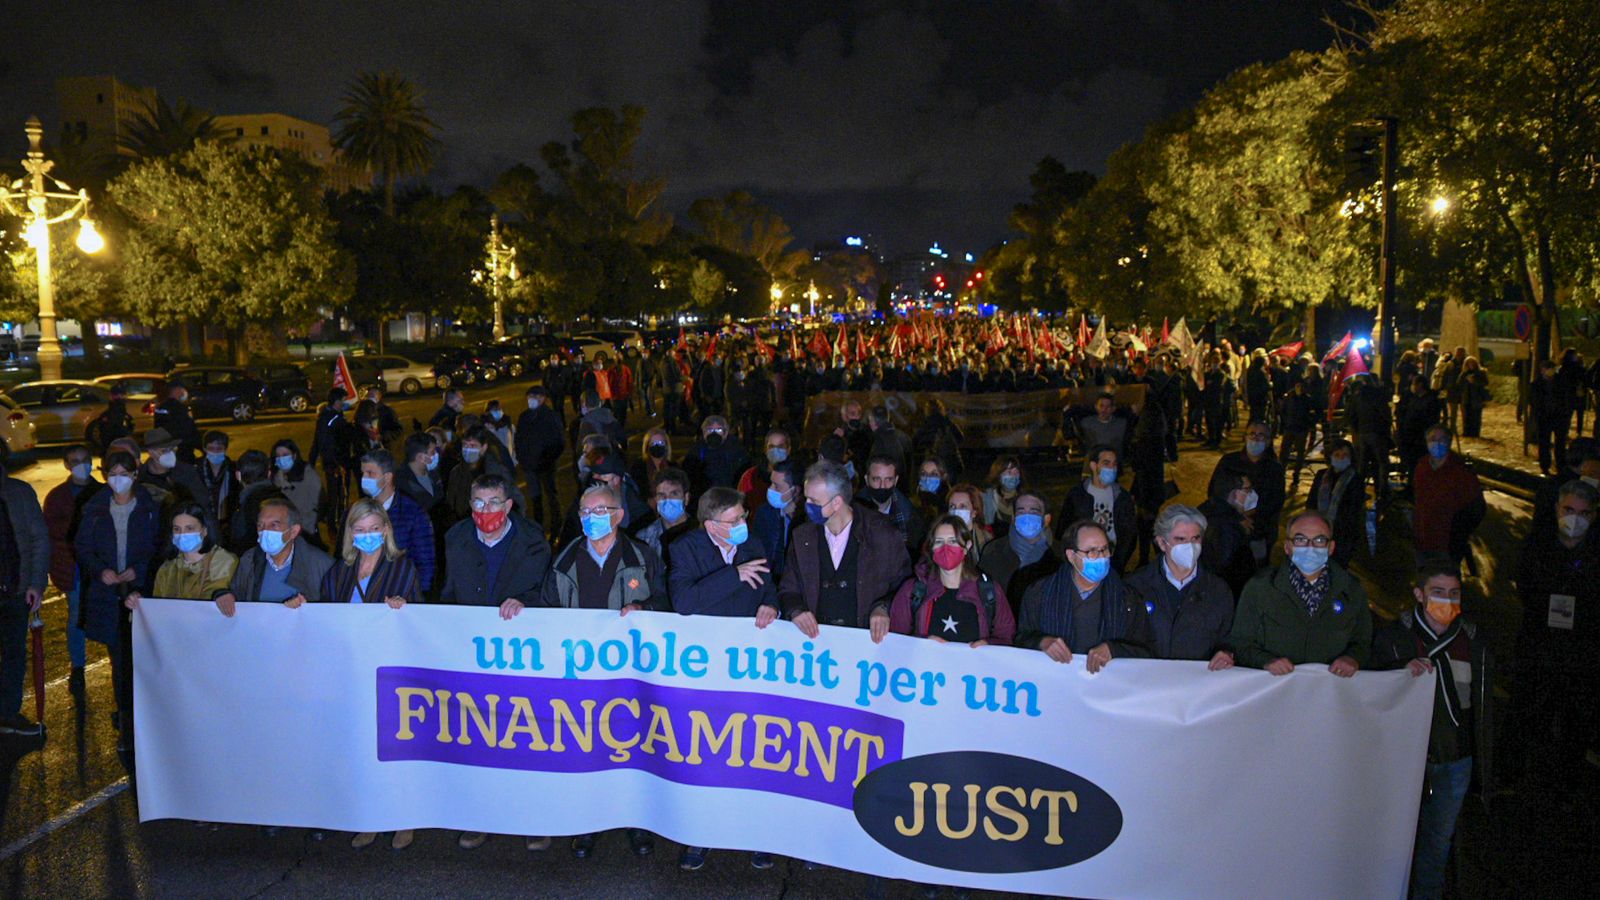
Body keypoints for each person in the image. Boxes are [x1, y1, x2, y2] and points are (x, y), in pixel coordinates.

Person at [540, 480, 663, 860]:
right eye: (585, 512)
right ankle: (589, 824)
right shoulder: (563, 562)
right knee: (588, 750)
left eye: (600, 511)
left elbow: (669, 605)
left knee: (632, 749)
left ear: (619, 516)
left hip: (631, 678)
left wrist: (648, 611)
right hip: (584, 677)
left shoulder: (643, 557)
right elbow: (545, 614)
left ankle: (637, 823)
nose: (591, 519)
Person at [438, 474, 555, 855]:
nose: (484, 511)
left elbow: (545, 593)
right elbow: (446, 591)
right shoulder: (455, 537)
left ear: (508, 506)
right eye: (477, 502)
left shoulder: (533, 540)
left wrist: (525, 602)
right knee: (477, 737)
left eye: (492, 503)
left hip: (518, 657)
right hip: (471, 656)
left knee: (523, 737)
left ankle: (535, 820)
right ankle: (481, 817)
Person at [1370, 562, 1493, 900]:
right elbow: (1374, 691)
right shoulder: (1395, 639)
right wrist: (1399, 669)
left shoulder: (1472, 642)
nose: (1447, 601)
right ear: (1419, 594)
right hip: (1406, 761)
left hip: (1455, 760)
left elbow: (1480, 710)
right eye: (1438, 593)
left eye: (1454, 594)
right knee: (1394, 838)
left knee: (1437, 843)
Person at [327, 502, 422, 845]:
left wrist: (403, 608)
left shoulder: (402, 568)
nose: (367, 536)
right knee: (361, 750)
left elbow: (420, 622)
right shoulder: (339, 571)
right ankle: (370, 816)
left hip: (391, 676)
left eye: (373, 528)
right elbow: (325, 617)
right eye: (359, 529)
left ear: (386, 529)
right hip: (352, 675)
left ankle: (404, 819)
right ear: (350, 533)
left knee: (395, 749)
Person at [1507, 479, 1598, 791]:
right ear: (1557, 509)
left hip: (1581, 654)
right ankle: (1516, 776)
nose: (1575, 519)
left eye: (1584, 513)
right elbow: (1525, 587)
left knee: (1575, 723)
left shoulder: (1595, 553)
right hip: (1538, 646)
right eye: (1569, 510)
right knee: (1528, 713)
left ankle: (1566, 786)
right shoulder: (1537, 545)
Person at [72, 451, 161, 753]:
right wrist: (101, 571)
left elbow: (159, 547)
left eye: (124, 473)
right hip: (109, 597)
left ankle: (148, 718)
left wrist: (139, 571)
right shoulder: (94, 507)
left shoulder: (149, 506)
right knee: (120, 661)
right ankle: (126, 723)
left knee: (146, 659)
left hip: (142, 595)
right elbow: (82, 547)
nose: (117, 479)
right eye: (112, 473)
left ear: (135, 475)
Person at [775, 460, 911, 640]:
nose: (807, 506)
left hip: (866, 643)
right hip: (816, 644)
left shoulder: (882, 535)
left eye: (814, 501)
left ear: (837, 502)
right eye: (806, 498)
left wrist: (883, 607)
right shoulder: (802, 536)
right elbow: (788, 588)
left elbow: (904, 586)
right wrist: (796, 611)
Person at [1228, 510, 1371, 675]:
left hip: (1328, 691)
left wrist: (1352, 658)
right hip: (1276, 690)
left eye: (1319, 540)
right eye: (1300, 540)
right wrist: (1266, 661)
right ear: (1287, 547)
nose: (1310, 548)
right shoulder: (1260, 588)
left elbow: (1363, 642)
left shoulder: (1351, 590)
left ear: (1330, 547)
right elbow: (1239, 643)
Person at [1016, 520, 1149, 671]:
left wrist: (1114, 649)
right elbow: (1021, 639)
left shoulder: (1127, 598)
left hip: (1108, 687)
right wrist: (1042, 642)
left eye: (1104, 550)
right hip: (1056, 683)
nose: (1101, 557)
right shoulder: (1040, 593)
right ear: (1071, 555)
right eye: (1091, 551)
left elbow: (1145, 649)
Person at [1120, 505, 1235, 666]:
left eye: (1195, 538)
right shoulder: (1135, 586)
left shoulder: (1218, 590)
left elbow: (1228, 638)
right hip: (1148, 682)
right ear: (1162, 543)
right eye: (1180, 539)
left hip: (1196, 684)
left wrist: (1225, 653)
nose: (1190, 546)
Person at [889, 515, 1015, 646]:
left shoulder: (989, 591)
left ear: (967, 546)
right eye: (939, 542)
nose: (945, 548)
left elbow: (1006, 637)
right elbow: (896, 640)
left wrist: (988, 645)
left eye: (953, 541)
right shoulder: (913, 590)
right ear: (931, 548)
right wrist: (921, 644)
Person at [43, 444, 100, 693]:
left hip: (99, 566)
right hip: (73, 567)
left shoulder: (102, 491)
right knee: (76, 616)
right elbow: (50, 535)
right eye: (75, 461)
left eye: (85, 459)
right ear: (66, 465)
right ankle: (78, 666)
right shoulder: (57, 497)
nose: (81, 465)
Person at [212, 498, 334, 614]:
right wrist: (225, 595)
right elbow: (237, 594)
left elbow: (333, 612)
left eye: (274, 525)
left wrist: (308, 608)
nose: (265, 531)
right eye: (260, 525)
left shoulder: (321, 565)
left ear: (293, 531)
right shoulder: (250, 560)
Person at [0, 458, 49, 737]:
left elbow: (38, 539)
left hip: (14, 589)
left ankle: (7, 712)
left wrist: (36, 583)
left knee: (14, 654)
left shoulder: (19, 492)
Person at [125, 502, 238, 608]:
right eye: (177, 529)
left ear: (204, 530)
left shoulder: (225, 562)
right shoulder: (167, 568)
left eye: (189, 528)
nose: (182, 534)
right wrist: (139, 599)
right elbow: (158, 606)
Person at [1205, 420, 1285, 567]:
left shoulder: (1274, 469)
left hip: (1259, 531)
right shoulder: (1229, 461)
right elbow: (1214, 493)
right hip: (1228, 527)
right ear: (1245, 437)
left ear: (1268, 441)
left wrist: (1254, 518)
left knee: (1256, 569)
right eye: (1252, 434)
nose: (1255, 438)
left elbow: (1276, 501)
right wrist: (1237, 518)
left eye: (1261, 435)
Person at [357, 450, 437, 596]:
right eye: (363, 473)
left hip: (398, 595)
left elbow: (425, 562)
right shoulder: (356, 512)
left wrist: (414, 597)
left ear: (387, 477)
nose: (364, 478)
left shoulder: (412, 513)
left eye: (370, 473)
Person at [1412, 424, 1485, 569]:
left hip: (1448, 543)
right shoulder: (1422, 466)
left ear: (1449, 442)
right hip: (1424, 538)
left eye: (1442, 439)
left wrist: (1459, 533)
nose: (1437, 443)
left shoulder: (1461, 471)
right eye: (1433, 439)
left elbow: (1477, 508)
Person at [1057, 445, 1137, 574]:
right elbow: (1064, 529)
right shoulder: (1077, 495)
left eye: (1114, 464)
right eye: (1106, 463)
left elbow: (1130, 532)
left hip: (1114, 562)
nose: (1111, 468)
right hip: (1084, 560)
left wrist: (1121, 559)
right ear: (1094, 466)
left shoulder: (1122, 497)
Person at [978, 491, 1059, 612]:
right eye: (1021, 511)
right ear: (1013, 519)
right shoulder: (994, 551)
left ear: (1046, 519)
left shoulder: (1059, 553)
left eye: (1033, 511)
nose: (1026, 517)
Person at [1307, 439, 1367, 569]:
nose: (1341, 458)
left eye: (1345, 455)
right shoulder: (1321, 475)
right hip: (1318, 532)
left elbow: (1353, 510)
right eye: (1337, 454)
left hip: (1342, 536)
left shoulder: (1356, 480)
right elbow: (1311, 503)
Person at [447, 427, 524, 524]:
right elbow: (451, 502)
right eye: (465, 445)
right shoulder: (456, 472)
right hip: (466, 526)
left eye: (473, 445)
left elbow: (516, 500)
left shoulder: (497, 471)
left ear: (483, 448)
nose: (468, 449)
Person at [516, 385, 566, 529]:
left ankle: (557, 524)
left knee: (551, 495)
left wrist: (548, 459)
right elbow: (519, 440)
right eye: (530, 397)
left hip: (546, 465)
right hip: (530, 465)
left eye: (536, 397)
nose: (533, 400)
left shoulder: (550, 416)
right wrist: (522, 459)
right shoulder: (524, 417)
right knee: (535, 497)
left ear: (543, 399)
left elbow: (559, 441)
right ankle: (539, 525)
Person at [861, 455, 924, 553]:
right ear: (866, 479)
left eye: (888, 479)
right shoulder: (852, 513)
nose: (882, 486)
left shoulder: (909, 515)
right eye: (876, 479)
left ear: (896, 480)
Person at [753, 460, 802, 583]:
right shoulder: (764, 513)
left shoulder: (806, 520)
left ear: (795, 490)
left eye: (777, 486)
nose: (770, 489)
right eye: (771, 484)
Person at [635, 467, 696, 563]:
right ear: (655, 500)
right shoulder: (644, 538)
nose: (668, 500)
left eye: (674, 494)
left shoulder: (701, 536)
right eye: (661, 495)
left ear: (686, 498)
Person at [272, 439, 324, 544]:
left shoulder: (308, 475)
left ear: (294, 456)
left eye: (285, 454)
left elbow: (314, 504)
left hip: (305, 532)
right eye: (278, 456)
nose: (281, 459)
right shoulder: (275, 478)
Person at [684, 414, 748, 493]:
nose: (714, 433)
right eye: (710, 430)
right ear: (704, 433)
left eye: (719, 430)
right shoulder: (695, 452)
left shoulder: (737, 451)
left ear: (725, 433)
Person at [198, 430, 236, 531]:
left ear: (225, 449)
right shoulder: (197, 469)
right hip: (203, 521)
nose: (215, 452)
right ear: (204, 449)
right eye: (211, 448)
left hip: (228, 521)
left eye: (219, 449)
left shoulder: (233, 469)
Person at [153, 379, 201, 460]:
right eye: (183, 390)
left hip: (165, 450)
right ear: (178, 390)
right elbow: (188, 430)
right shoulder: (180, 408)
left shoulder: (160, 407)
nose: (184, 392)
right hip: (182, 452)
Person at [982, 455, 1026, 537]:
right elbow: (986, 528)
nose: (1013, 476)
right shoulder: (988, 497)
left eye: (1016, 472)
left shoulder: (1026, 498)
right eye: (1009, 472)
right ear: (998, 475)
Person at [85, 385, 137, 454]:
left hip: (117, 443)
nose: (119, 397)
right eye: (116, 395)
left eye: (122, 395)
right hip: (112, 444)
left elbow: (130, 423)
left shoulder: (122, 411)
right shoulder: (110, 411)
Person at [1076, 393, 1128, 457]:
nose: (1104, 410)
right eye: (1101, 406)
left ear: (1113, 408)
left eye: (1108, 407)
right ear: (1096, 406)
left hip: (1113, 461)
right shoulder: (1086, 423)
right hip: (1093, 460)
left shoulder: (1121, 424)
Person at [1458, 356, 1490, 439]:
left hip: (1477, 397)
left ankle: (1475, 433)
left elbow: (1485, 383)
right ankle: (1467, 432)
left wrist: (1474, 382)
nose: (1471, 365)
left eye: (1472, 363)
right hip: (1466, 397)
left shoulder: (1481, 372)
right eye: (1469, 363)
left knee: (1476, 416)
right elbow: (1459, 384)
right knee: (1467, 416)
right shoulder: (1464, 373)